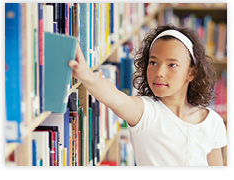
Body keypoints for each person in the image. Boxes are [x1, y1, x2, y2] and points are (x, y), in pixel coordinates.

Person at [68, 24, 227, 166]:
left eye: (172, 65)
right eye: (153, 62)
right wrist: (86, 75)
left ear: (192, 73)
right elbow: (113, 96)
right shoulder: (144, 112)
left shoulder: (213, 122)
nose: (159, 72)